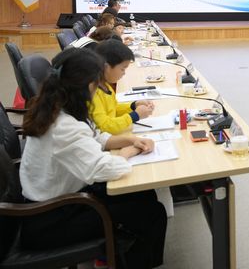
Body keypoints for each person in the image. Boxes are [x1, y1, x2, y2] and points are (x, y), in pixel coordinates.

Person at [19, 48, 167, 269]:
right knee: (152, 213)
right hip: (50, 220)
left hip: (58, 203)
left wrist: (129, 140)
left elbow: (96, 137)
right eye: (97, 85)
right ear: (88, 85)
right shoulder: (64, 126)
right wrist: (131, 151)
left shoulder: (57, 107)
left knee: (144, 196)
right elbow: (105, 169)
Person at [91, 39, 155, 134]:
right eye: (122, 69)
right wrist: (134, 116)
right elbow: (104, 126)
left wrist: (133, 106)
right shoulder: (93, 93)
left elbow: (114, 109)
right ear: (106, 67)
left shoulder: (105, 86)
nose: (124, 73)